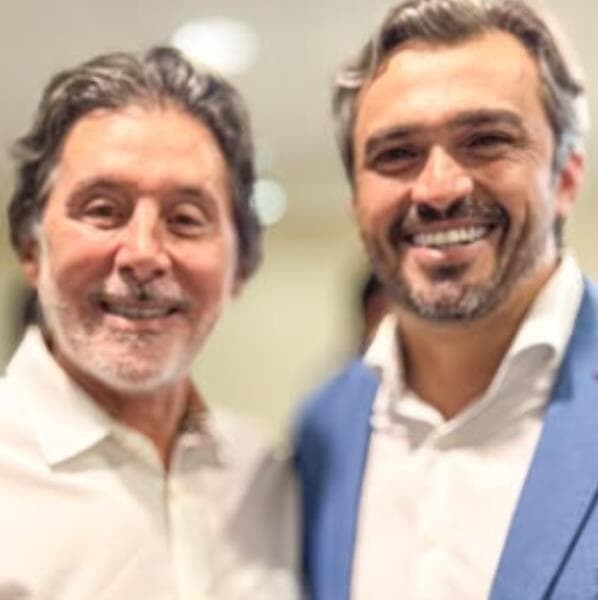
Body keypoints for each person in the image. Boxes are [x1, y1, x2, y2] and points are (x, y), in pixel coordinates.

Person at [294, 0, 597, 598]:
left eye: (486, 140)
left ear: (565, 177)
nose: (437, 190)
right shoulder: (321, 431)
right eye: (396, 154)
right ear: (356, 199)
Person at [1, 47, 298, 599]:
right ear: (31, 249)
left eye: (185, 219)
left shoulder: (265, 476)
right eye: (102, 210)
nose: (143, 254)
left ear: (239, 270)